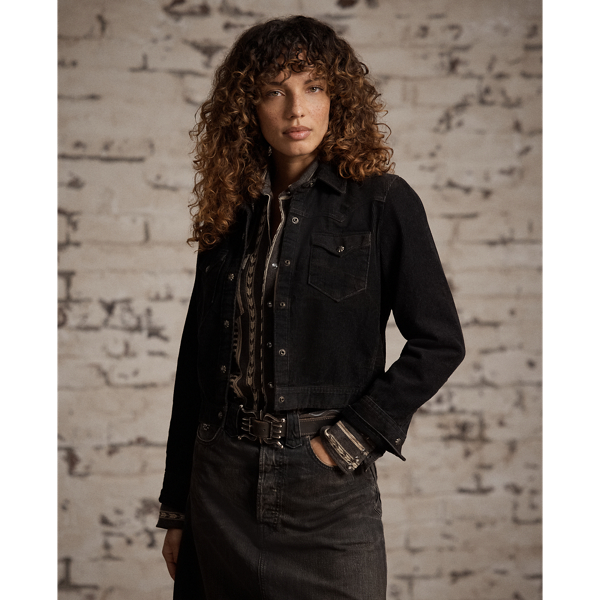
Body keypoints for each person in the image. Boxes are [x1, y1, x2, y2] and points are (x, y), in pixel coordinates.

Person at [156, 15, 465, 600]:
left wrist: (349, 439)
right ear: (249, 108)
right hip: (219, 484)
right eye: (275, 91)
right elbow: (194, 368)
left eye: (314, 87)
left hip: (325, 490)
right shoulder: (231, 214)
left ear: (337, 99)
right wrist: (177, 507)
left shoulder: (384, 202)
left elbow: (440, 342)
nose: (296, 109)